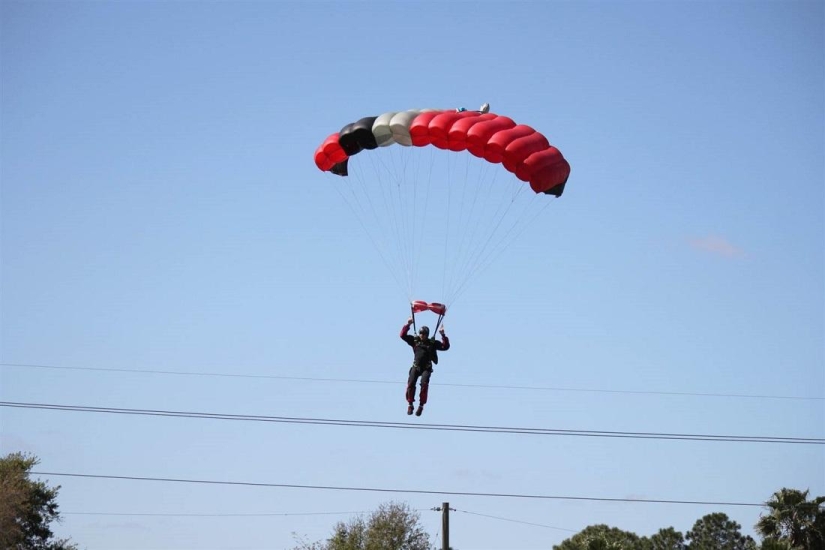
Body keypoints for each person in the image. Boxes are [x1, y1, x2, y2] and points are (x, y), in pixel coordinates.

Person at [400, 318, 450, 416]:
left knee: (424, 384)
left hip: (426, 368)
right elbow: (402, 335)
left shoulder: (432, 344)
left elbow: (445, 347)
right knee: (411, 383)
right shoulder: (415, 341)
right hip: (416, 366)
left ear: (427, 335)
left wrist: (443, 335)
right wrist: (408, 324)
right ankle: (410, 404)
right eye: (421, 333)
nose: (422, 335)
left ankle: (421, 406)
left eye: (424, 334)